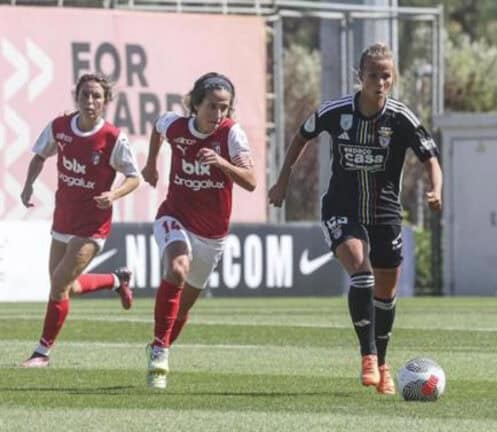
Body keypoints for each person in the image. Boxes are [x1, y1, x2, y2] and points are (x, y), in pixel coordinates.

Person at [268, 43, 443, 395]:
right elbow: (302, 135)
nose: (380, 82)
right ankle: (368, 356)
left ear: (393, 78)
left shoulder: (400, 118)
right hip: (342, 208)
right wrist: (283, 179)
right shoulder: (336, 112)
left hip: (385, 212)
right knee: (361, 274)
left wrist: (436, 188)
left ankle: (382, 363)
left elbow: (430, 156)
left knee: (386, 293)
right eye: (373, 75)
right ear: (359, 77)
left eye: (386, 76)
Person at [141, 72, 256, 389]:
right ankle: (160, 351)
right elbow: (157, 128)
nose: (218, 115)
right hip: (174, 216)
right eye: (211, 107)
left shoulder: (231, 136)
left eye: (224, 108)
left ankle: (159, 345)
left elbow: (251, 181)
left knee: (182, 308)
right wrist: (151, 165)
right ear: (195, 104)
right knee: (177, 268)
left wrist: (222, 163)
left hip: (212, 235)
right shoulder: (176, 126)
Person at [19, 73, 141, 368]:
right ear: (77, 96)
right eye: (85, 94)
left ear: (106, 101)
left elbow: (134, 178)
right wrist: (28, 185)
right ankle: (116, 280)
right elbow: (39, 156)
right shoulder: (60, 127)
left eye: (97, 96)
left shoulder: (113, 138)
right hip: (64, 217)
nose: (90, 101)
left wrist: (113, 195)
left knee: (59, 283)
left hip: (92, 224)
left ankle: (42, 353)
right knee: (65, 287)